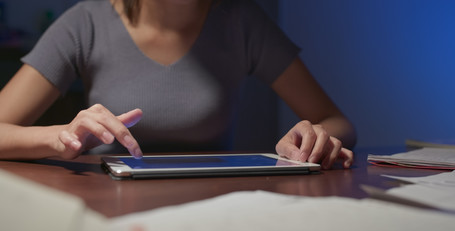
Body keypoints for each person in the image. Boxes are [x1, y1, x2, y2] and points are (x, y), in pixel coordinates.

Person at [0, 0, 356, 169]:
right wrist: (64, 138)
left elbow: (336, 121)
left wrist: (309, 137)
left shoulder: (242, 22)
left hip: (213, 207)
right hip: (107, 202)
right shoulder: (86, 22)